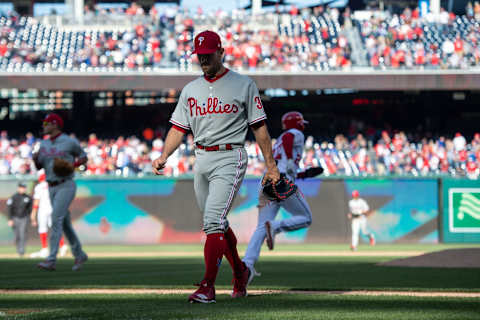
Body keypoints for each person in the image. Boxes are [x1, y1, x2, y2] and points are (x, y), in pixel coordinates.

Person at [152, 30, 280, 304]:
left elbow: (259, 127)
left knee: (212, 221)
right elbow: (177, 128)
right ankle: (240, 272)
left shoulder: (243, 84)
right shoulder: (190, 89)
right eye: (200, 55)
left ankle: (208, 286)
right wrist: (164, 155)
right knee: (216, 225)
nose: (203, 60)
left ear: (221, 52)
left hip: (230, 155)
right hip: (202, 158)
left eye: (208, 54)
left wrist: (271, 165)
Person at [243, 111, 313, 284]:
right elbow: (290, 138)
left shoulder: (279, 141)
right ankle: (274, 226)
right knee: (306, 218)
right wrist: (290, 160)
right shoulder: (294, 134)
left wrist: (302, 174)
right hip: (281, 182)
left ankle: (246, 265)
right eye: (301, 122)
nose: (303, 125)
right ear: (297, 123)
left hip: (267, 181)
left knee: (260, 227)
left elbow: (283, 161)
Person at [33, 113, 89, 271]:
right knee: (64, 224)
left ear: (55, 124)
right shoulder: (43, 145)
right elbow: (39, 167)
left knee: (55, 219)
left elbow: (83, 157)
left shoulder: (69, 142)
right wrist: (35, 158)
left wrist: (74, 165)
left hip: (66, 184)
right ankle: (79, 254)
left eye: (46, 123)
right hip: (50, 185)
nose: (44, 126)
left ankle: (51, 259)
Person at [30, 169, 69, 258]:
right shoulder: (54, 185)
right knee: (55, 228)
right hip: (53, 209)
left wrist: (33, 213)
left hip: (43, 209)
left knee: (42, 229)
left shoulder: (39, 187)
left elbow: (36, 202)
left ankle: (44, 249)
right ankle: (62, 245)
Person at [6, 182, 32, 257]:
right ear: (18, 188)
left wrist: (30, 217)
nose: (23, 189)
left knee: (23, 234)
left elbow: (30, 209)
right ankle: (18, 249)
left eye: (24, 187)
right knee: (17, 235)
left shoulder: (28, 197)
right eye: (21, 187)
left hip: (24, 218)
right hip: (15, 218)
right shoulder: (14, 197)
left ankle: (22, 251)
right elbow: (9, 208)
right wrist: (10, 219)